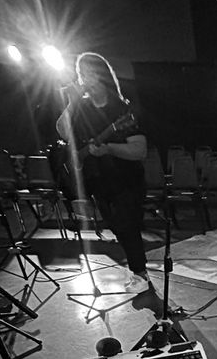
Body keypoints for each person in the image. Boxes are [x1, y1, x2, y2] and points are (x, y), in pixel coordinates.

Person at [56, 51, 150, 292]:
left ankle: (140, 275)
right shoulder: (82, 108)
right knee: (117, 227)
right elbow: (63, 130)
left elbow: (139, 150)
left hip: (126, 179)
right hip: (98, 180)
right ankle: (137, 271)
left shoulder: (122, 110)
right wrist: (73, 101)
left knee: (129, 226)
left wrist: (109, 148)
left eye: (90, 73)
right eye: (81, 74)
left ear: (103, 75)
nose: (85, 79)